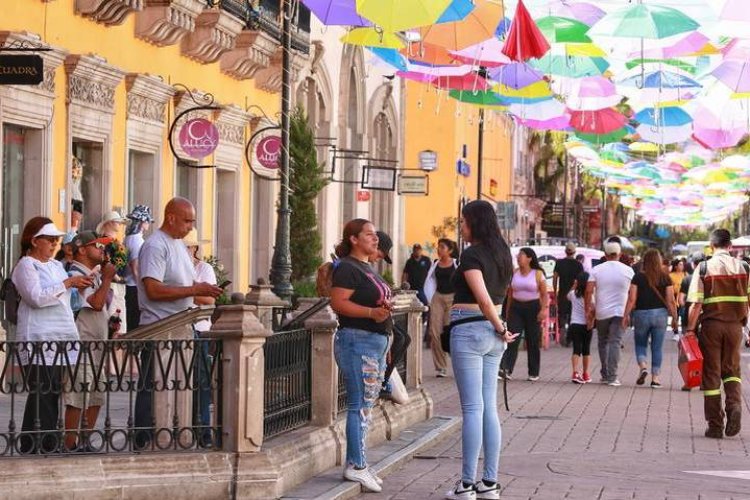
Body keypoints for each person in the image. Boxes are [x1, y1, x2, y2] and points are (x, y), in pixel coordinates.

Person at [134, 197, 223, 448]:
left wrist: (202, 293)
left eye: (193, 221)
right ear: (171, 217)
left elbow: (182, 288)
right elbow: (153, 289)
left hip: (183, 326)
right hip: (161, 328)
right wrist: (194, 289)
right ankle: (145, 438)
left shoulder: (178, 245)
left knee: (192, 383)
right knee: (153, 385)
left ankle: (182, 433)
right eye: (187, 221)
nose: (191, 227)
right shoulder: (155, 245)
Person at [446, 200, 518, 500]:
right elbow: (499, 298)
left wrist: (501, 327)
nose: (461, 227)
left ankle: (466, 484)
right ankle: (489, 482)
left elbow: (484, 299)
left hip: (472, 328)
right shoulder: (504, 253)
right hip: (493, 333)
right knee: (489, 407)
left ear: (475, 222)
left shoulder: (472, 255)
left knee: (473, 409)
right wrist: (501, 328)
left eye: (463, 222)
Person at [12, 217, 94, 453]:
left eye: (56, 240)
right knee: (42, 392)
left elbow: (63, 296)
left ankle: (42, 441)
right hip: (39, 338)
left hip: (60, 336)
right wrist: (68, 283)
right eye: (50, 240)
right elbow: (36, 297)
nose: (54, 244)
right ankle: (39, 443)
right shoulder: (26, 265)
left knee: (52, 391)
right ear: (35, 241)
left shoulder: (56, 266)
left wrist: (78, 284)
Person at [330, 219, 391, 493]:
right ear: (353, 239)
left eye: (375, 234)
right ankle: (356, 465)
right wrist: (370, 313)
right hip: (357, 341)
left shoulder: (366, 267)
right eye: (369, 234)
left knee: (366, 405)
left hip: (374, 342)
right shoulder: (347, 267)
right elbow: (338, 303)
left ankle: (359, 462)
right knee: (359, 405)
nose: (375, 239)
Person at [686, 229, 750, 439]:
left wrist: (689, 330)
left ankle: (715, 425)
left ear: (711, 246)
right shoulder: (744, 267)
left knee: (712, 374)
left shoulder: (704, 267)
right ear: (730, 245)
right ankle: (734, 406)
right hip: (735, 328)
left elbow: (696, 304)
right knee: (732, 371)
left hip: (712, 327)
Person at [63, 231, 116, 451]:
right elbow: (94, 303)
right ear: (82, 249)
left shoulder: (92, 273)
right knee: (78, 396)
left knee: (96, 395)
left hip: (96, 343)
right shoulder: (77, 273)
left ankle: (84, 441)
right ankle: (69, 444)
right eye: (97, 245)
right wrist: (108, 279)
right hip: (81, 343)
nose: (102, 250)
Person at [624, 249, 678, 389]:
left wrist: (625, 315)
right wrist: (675, 318)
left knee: (640, 344)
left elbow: (632, 299)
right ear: (658, 261)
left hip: (641, 314)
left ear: (645, 261)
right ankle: (656, 379)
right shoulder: (666, 277)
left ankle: (643, 367)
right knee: (657, 347)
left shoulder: (637, 277)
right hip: (660, 315)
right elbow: (671, 300)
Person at [184, 228, 217, 447]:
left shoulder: (204, 269)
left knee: (202, 381)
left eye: (187, 246)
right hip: (178, 329)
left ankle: (204, 429)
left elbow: (209, 299)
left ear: (195, 248)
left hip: (200, 329)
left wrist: (182, 293)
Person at [585, 241, 634, 387]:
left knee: (603, 341)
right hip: (620, 311)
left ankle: (605, 374)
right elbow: (632, 295)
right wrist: (628, 313)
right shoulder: (628, 271)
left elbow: (588, 291)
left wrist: (589, 309)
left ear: (605, 255)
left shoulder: (596, 270)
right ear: (619, 254)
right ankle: (612, 376)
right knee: (615, 342)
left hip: (602, 312)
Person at [500, 247, 548, 382]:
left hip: (533, 308)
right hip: (516, 307)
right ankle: (506, 368)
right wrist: (508, 312)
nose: (518, 257)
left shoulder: (538, 274)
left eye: (521, 255)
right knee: (512, 338)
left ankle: (533, 372)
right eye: (518, 255)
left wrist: (543, 310)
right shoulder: (514, 273)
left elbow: (544, 294)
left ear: (529, 258)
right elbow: (510, 294)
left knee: (532, 340)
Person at [423, 238, 458, 378]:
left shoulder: (456, 264)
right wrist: (428, 298)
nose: (439, 249)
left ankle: (457, 362)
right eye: (438, 247)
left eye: (442, 247)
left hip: (453, 299)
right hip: (437, 297)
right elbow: (430, 281)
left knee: (450, 332)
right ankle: (440, 367)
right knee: (434, 332)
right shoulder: (435, 264)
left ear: (449, 250)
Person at [96, 210, 129, 335]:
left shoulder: (116, 242)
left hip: (119, 284)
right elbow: (104, 261)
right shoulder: (104, 242)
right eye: (117, 222)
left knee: (120, 321)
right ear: (109, 223)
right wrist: (114, 276)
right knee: (113, 320)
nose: (119, 225)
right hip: (111, 284)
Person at [123, 204, 154, 331]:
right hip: (134, 287)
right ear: (142, 222)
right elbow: (135, 267)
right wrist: (143, 288)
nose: (148, 224)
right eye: (147, 221)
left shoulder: (128, 238)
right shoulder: (137, 240)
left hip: (130, 285)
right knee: (135, 323)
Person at [553, 242, 583, 346]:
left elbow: (555, 277)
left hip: (562, 293)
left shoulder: (559, 263)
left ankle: (562, 329)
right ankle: (570, 337)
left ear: (565, 252)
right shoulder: (579, 265)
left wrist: (555, 290)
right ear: (574, 252)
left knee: (562, 313)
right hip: (574, 294)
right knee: (572, 315)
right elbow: (578, 280)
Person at [568, 272, 592, 384]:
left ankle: (575, 372)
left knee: (576, 349)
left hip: (575, 324)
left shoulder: (573, 294)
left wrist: (574, 285)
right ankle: (586, 373)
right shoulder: (590, 296)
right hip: (586, 324)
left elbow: (567, 296)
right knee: (586, 350)